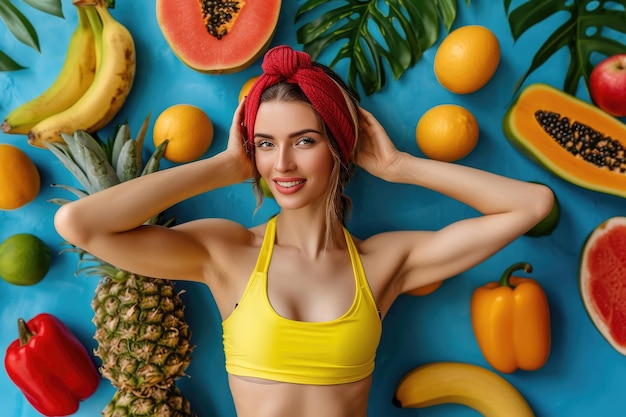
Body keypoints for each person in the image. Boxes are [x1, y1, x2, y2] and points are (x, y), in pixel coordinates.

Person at [54, 45, 554, 417]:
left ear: (339, 146)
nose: (283, 163)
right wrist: (226, 165)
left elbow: (530, 205)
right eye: (267, 143)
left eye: (305, 140)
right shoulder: (226, 251)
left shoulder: (385, 263)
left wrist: (400, 166)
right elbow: (78, 223)